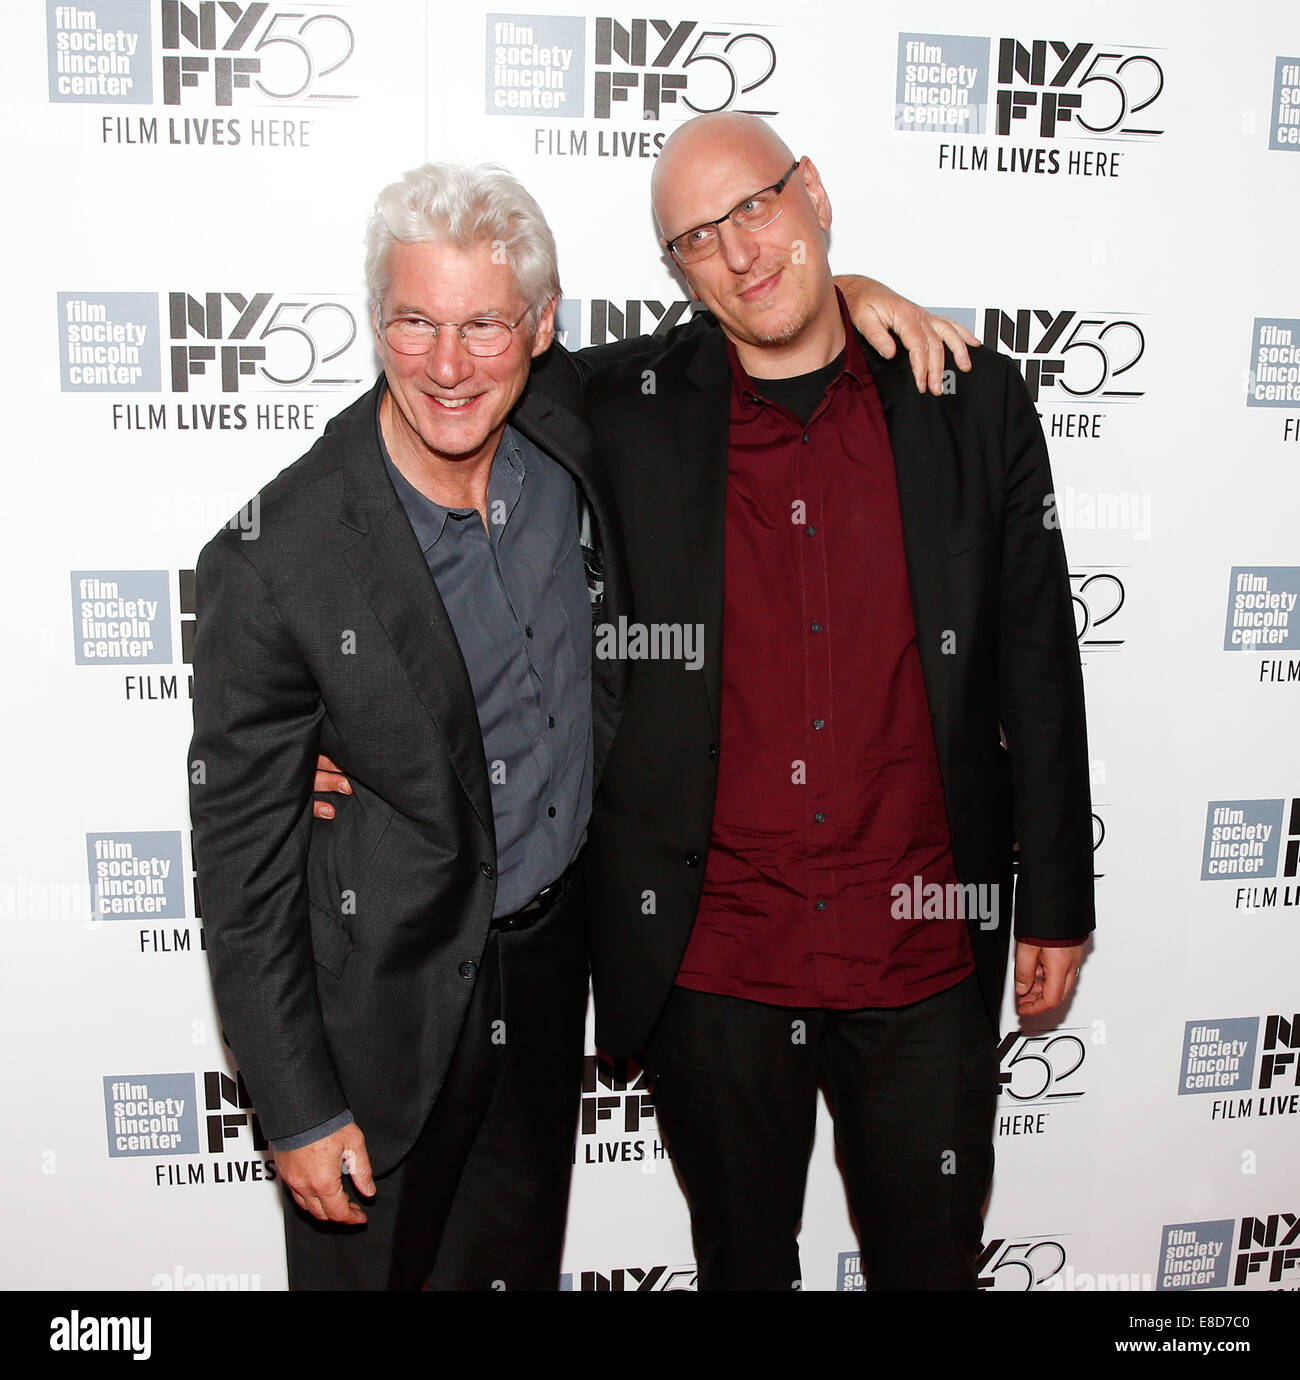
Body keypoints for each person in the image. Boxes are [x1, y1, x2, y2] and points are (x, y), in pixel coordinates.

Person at [191, 158, 972, 1291]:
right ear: (375, 323)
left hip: (550, 974)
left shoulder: (571, 430)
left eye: (484, 325)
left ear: (543, 326)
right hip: (384, 1014)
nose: (449, 366)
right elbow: (240, 872)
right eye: (413, 321)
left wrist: (846, 287)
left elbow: (746, 312)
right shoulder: (277, 559)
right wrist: (296, 1105)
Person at [538, 113, 1095, 1290]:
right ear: (676, 274)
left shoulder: (967, 399)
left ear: (814, 191)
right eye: (697, 238)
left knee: (930, 1266)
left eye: (756, 208)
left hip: (922, 952)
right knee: (741, 1268)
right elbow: (457, 377)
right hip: (717, 960)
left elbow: (1037, 665)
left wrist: (1054, 899)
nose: (739, 253)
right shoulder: (622, 405)